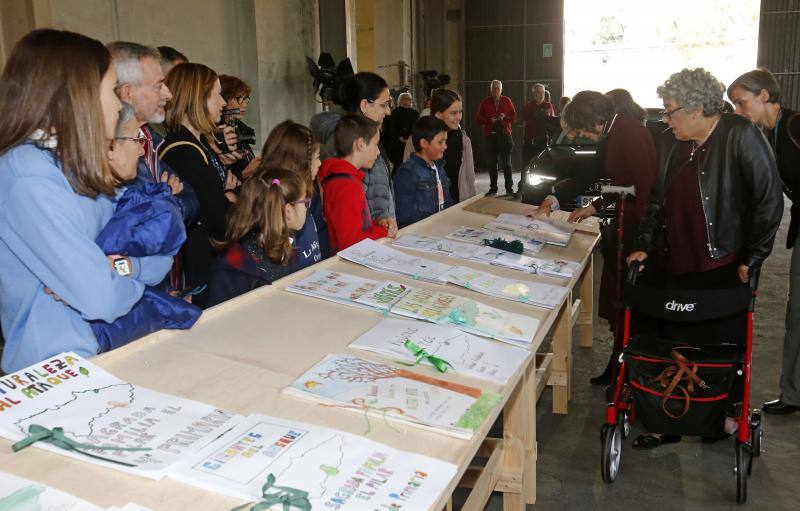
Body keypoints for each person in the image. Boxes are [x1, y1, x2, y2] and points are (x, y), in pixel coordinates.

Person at [626, 68, 784, 449]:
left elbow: (769, 200)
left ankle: (719, 415)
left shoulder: (740, 136)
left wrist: (755, 255)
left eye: (670, 111)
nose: (665, 119)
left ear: (697, 108)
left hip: (724, 263)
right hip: (674, 260)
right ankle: (669, 417)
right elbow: (658, 201)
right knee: (670, 341)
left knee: (719, 346)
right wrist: (645, 242)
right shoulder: (672, 142)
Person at [0, 29, 147, 372]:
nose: (121, 103)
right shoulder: (27, 176)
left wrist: (122, 269)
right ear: (77, 95)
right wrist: (121, 274)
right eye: (112, 90)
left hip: (108, 351)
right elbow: (102, 298)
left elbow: (156, 256)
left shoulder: (72, 165)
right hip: (58, 369)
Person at [531, 90, 658, 385]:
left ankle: (631, 370)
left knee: (630, 301)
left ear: (595, 121)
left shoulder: (629, 133)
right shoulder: (614, 132)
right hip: (623, 226)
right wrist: (557, 197)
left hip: (638, 231)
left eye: (582, 130)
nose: (584, 137)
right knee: (618, 299)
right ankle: (619, 362)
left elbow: (643, 189)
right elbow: (592, 174)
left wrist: (600, 207)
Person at [91, 102, 200, 351]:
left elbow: (161, 265)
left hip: (133, 329)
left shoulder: (132, 197)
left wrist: (125, 266)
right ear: (110, 146)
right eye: (135, 140)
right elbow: (92, 282)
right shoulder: (85, 203)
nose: (142, 152)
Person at [729, 68, 800, 415]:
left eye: (742, 104)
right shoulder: (764, 136)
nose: (739, 112)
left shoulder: (795, 126)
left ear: (764, 96)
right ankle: (792, 395)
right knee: (796, 313)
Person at [159, 63, 241, 308]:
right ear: (197, 99)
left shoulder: (198, 146)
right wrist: (230, 195)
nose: (223, 103)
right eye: (216, 95)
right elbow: (221, 217)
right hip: (198, 267)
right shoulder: (183, 151)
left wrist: (229, 194)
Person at [108, 41, 198, 226]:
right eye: (159, 86)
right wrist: (167, 200)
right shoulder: (111, 148)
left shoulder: (151, 138)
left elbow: (192, 199)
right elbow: (139, 224)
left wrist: (165, 204)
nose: (168, 95)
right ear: (128, 93)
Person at [310, 72, 398, 238]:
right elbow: (350, 230)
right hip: (367, 246)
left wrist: (380, 223)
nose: (388, 112)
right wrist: (381, 230)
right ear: (365, 105)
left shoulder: (366, 138)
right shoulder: (348, 154)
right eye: (384, 105)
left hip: (375, 237)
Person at [207, 168, 309, 306]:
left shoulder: (285, 244)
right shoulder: (233, 270)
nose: (306, 207)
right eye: (304, 202)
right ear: (288, 211)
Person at [260, 120, 327, 269]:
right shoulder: (272, 205)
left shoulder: (310, 194)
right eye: (316, 158)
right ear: (300, 163)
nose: (320, 164)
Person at [318, 113, 389, 252]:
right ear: (361, 144)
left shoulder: (345, 178)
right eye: (375, 144)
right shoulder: (346, 186)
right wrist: (382, 232)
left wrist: (376, 224)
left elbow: (350, 225)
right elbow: (350, 244)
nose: (378, 152)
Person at [404, 89, 476, 204]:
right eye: (453, 113)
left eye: (460, 112)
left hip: (456, 205)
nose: (459, 117)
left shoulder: (464, 140)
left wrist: (470, 205)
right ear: (438, 114)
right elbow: (406, 178)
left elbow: (470, 178)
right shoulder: (416, 139)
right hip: (424, 210)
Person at [394, 116, 453, 228]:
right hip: (420, 234)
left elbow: (448, 202)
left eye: (445, 141)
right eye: (440, 142)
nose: (445, 146)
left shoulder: (440, 168)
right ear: (424, 143)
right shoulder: (407, 173)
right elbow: (404, 216)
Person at [475, 80, 516, 196]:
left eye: (498, 88)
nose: (496, 90)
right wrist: (489, 120)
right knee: (492, 164)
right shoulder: (485, 102)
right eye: (494, 88)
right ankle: (493, 188)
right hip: (491, 137)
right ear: (490, 89)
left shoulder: (507, 101)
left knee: (507, 164)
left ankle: (509, 189)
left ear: (501, 90)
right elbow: (478, 119)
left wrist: (505, 117)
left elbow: (514, 118)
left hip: (504, 136)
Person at [219, 74, 261, 180]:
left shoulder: (240, 128)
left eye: (245, 99)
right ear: (223, 99)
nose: (244, 105)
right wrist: (246, 173)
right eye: (239, 98)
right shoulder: (216, 134)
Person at [522, 83, 555, 171]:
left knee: (542, 164)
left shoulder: (548, 105)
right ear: (533, 93)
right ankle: (523, 183)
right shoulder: (527, 106)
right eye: (539, 92)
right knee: (527, 163)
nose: (541, 95)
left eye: (543, 93)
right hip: (529, 140)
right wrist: (542, 115)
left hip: (543, 140)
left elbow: (549, 121)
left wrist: (537, 116)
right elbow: (528, 119)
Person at [383, 91, 419, 171]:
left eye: (410, 99)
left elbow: (417, 127)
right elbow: (392, 128)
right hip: (397, 144)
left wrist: (410, 139)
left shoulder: (415, 113)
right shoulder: (395, 113)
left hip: (411, 142)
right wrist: (401, 138)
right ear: (401, 100)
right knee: (399, 166)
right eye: (406, 99)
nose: (408, 101)